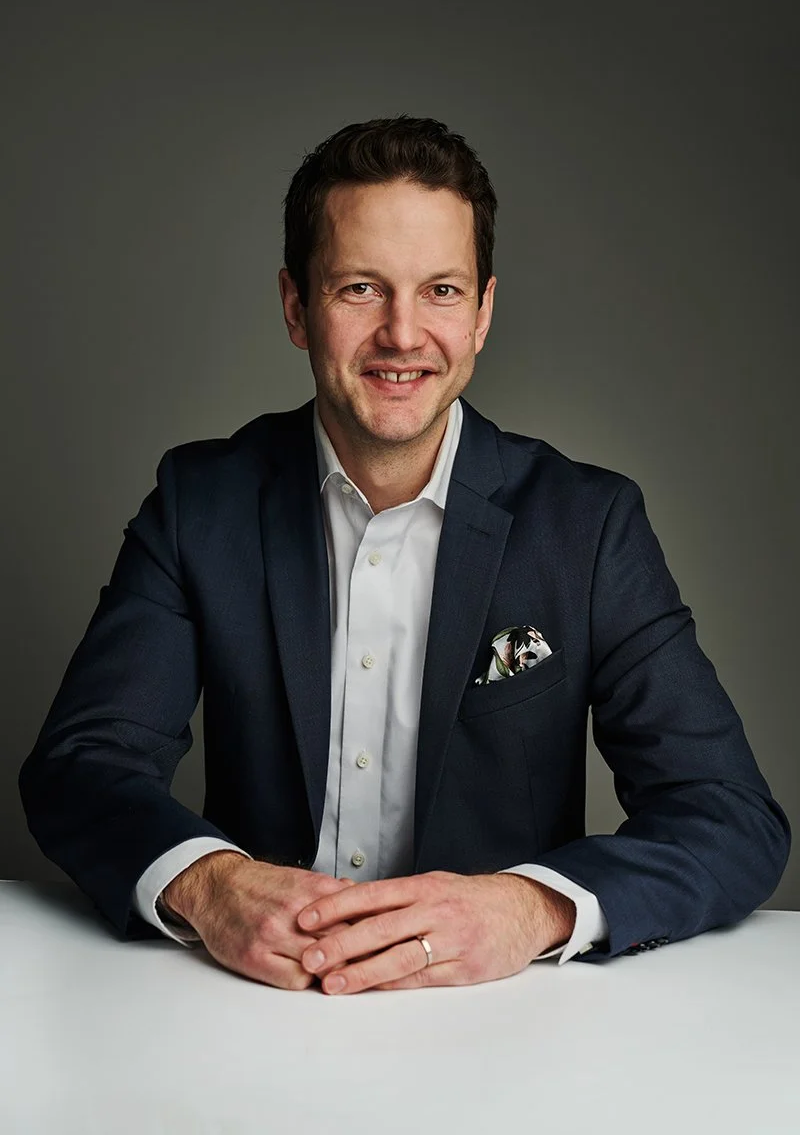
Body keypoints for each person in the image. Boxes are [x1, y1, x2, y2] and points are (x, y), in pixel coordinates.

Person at [19, 116, 791, 996]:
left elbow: (730, 816)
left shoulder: (588, 525)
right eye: (360, 288)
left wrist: (530, 908)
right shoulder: (201, 504)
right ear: (295, 307)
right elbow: (82, 767)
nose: (402, 333)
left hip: (502, 1016)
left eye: (441, 291)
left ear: (483, 314)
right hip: (249, 1004)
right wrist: (209, 884)